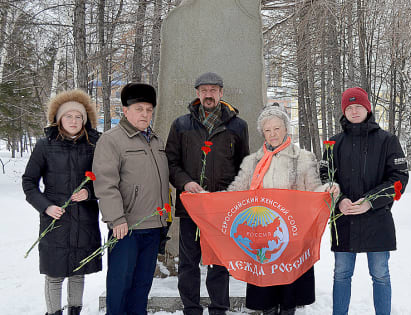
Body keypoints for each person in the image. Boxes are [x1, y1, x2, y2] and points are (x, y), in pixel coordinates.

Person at [226, 104, 339, 315]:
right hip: (262, 238)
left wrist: (328, 191)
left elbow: (314, 191)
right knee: (266, 297)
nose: (273, 134)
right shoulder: (253, 162)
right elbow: (237, 192)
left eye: (277, 128)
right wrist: (210, 202)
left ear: (286, 128)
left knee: (289, 296)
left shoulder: (304, 158)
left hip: (292, 237)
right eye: (267, 130)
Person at [320, 87, 409, 315]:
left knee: (380, 274)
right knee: (341, 274)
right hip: (344, 220)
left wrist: (371, 201)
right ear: (344, 111)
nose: (354, 111)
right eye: (349, 107)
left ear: (368, 108)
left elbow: (399, 177)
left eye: (358, 106)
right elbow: (325, 177)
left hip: (377, 219)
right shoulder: (333, 143)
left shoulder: (387, 140)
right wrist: (339, 200)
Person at [166, 72, 249, 315]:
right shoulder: (181, 125)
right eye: (204, 90)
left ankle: (219, 309)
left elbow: (244, 165)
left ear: (221, 93)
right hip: (192, 205)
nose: (208, 94)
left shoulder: (237, 125)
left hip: (222, 208)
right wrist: (186, 183)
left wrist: (231, 194)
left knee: (219, 263)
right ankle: (191, 309)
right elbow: (171, 162)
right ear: (197, 94)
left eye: (213, 90)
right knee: (189, 262)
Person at [22, 89, 102, 315]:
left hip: (84, 219)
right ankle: (53, 312)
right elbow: (29, 182)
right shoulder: (44, 145)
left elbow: (107, 179)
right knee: (55, 273)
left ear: (85, 120)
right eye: (69, 116)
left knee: (78, 271)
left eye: (79, 117)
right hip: (55, 219)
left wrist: (90, 192)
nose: (74, 121)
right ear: (59, 119)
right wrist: (46, 206)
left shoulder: (95, 144)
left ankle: (74, 312)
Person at [92, 83, 169, 315]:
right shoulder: (112, 140)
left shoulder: (156, 141)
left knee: (142, 285)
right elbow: (106, 183)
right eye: (138, 108)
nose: (144, 114)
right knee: (120, 284)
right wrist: (116, 218)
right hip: (126, 228)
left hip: (153, 225)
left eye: (148, 109)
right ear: (125, 110)